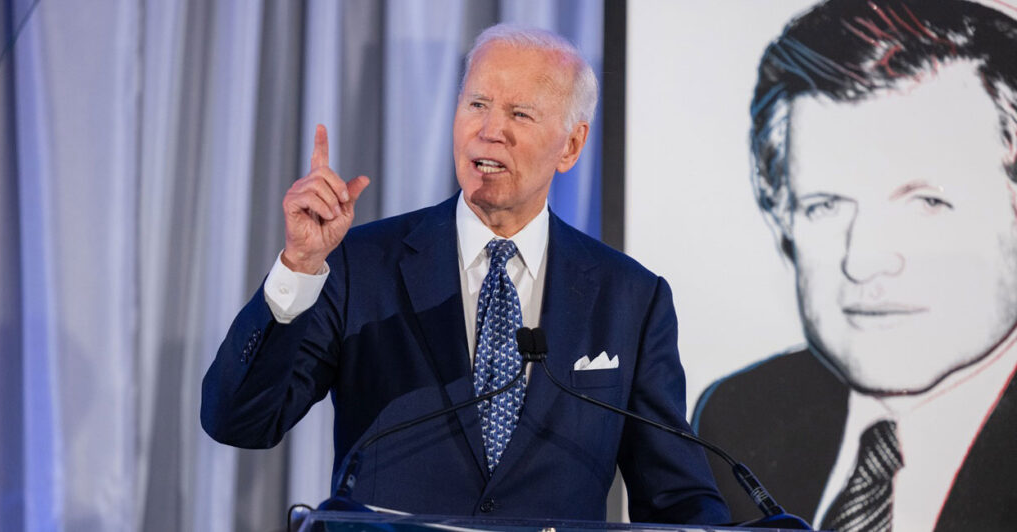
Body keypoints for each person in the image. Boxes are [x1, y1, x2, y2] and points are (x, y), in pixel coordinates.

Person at [201, 24, 729, 524]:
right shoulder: (358, 264)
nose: (490, 130)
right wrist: (298, 266)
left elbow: (676, 497)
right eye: (476, 104)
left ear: (570, 145)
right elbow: (240, 422)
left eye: (520, 114)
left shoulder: (630, 298)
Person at [692, 1, 1017, 530]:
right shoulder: (739, 416)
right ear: (782, 220)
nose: (863, 258)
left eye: (927, 202)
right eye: (825, 205)